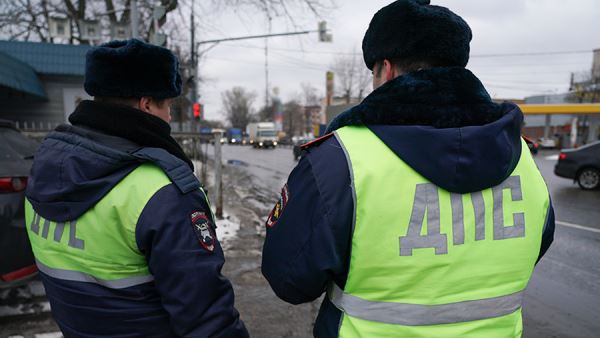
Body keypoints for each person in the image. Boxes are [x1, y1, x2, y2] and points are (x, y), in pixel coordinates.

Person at [261, 1, 555, 337]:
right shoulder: (523, 158)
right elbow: (533, 247)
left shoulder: (340, 160)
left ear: (386, 70)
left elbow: (289, 279)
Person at [25, 39, 248, 337]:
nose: (169, 116)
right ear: (146, 105)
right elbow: (206, 317)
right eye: (168, 105)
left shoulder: (45, 169)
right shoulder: (162, 192)